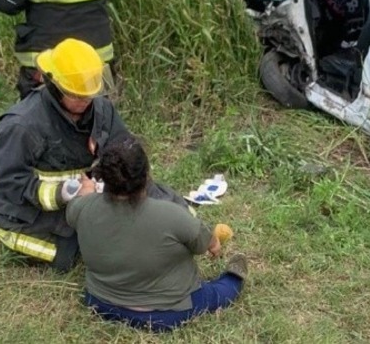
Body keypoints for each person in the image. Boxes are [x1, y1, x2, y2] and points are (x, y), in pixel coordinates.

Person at [0, 38, 186, 272]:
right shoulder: (22, 126)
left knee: (163, 202)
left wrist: (114, 175)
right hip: (29, 217)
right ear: (55, 87)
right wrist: (66, 192)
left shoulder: (100, 109)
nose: (87, 102)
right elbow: (12, 184)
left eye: (90, 95)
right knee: (78, 251)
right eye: (77, 96)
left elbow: (126, 151)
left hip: (89, 199)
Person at [66, 134, 247, 332]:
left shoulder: (81, 208)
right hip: (165, 313)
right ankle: (234, 276)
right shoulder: (172, 215)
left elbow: (76, 207)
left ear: (104, 176)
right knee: (218, 292)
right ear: (146, 175)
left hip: (100, 303)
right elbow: (207, 243)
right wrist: (215, 246)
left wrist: (87, 191)